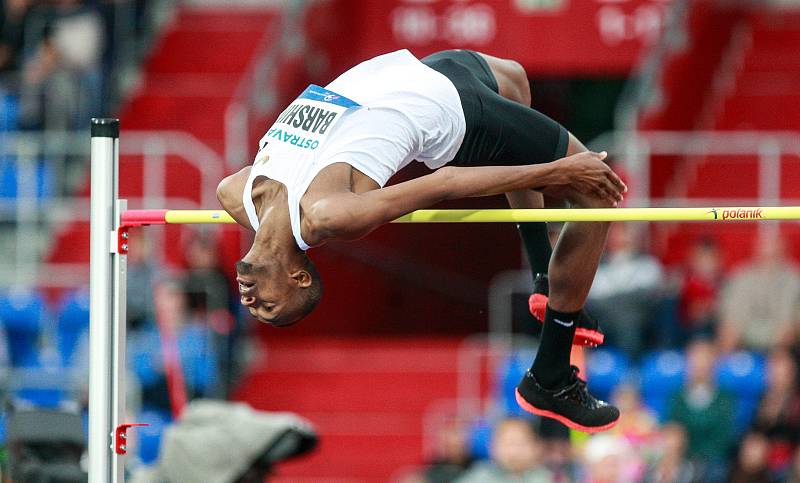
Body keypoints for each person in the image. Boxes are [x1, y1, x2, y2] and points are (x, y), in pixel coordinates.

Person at [216, 49, 626, 431]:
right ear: (298, 276)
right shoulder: (332, 216)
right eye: (268, 306)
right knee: (594, 194)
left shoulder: (235, 193)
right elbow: (446, 182)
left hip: (410, 74)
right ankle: (550, 375)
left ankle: (544, 275)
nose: (251, 304)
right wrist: (555, 172)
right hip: (451, 113)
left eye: (262, 308)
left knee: (515, 80)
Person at [455, 418, 553, 483]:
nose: (514, 451)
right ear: (492, 447)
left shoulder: (548, 478)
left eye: (520, 443)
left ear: (536, 447)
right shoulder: (478, 478)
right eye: (508, 443)